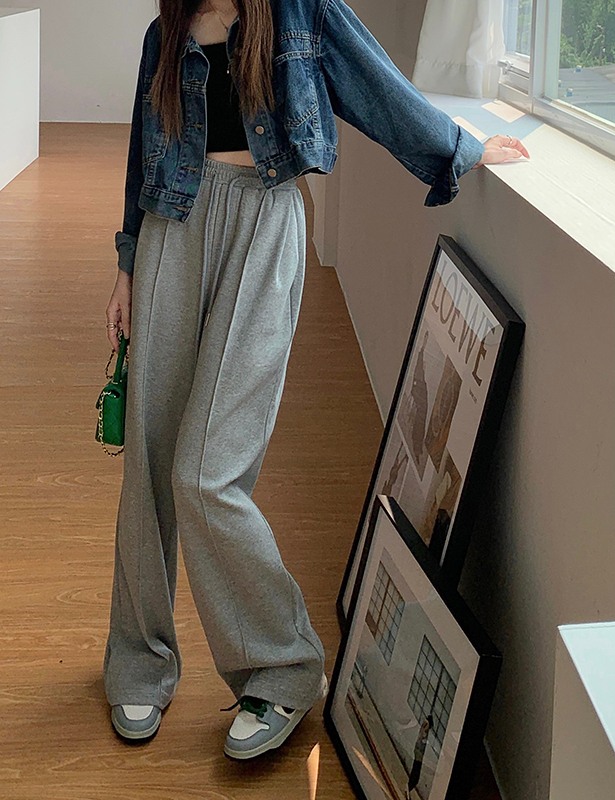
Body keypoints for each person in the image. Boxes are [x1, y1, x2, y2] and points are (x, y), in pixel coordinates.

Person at [102, 0, 528, 761]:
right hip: (171, 226)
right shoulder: (164, 32)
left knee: (205, 472)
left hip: (264, 223)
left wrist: (460, 149)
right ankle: (139, 661)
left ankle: (284, 668)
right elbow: (143, 150)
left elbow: (376, 87)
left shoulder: (301, 12)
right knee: (149, 459)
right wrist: (126, 267)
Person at [406, 715, 433, 799]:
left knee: (415, 770)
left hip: (418, 751)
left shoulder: (424, 724)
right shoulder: (426, 726)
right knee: (416, 773)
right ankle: (408, 787)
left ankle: (409, 788)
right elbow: (423, 737)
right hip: (419, 752)